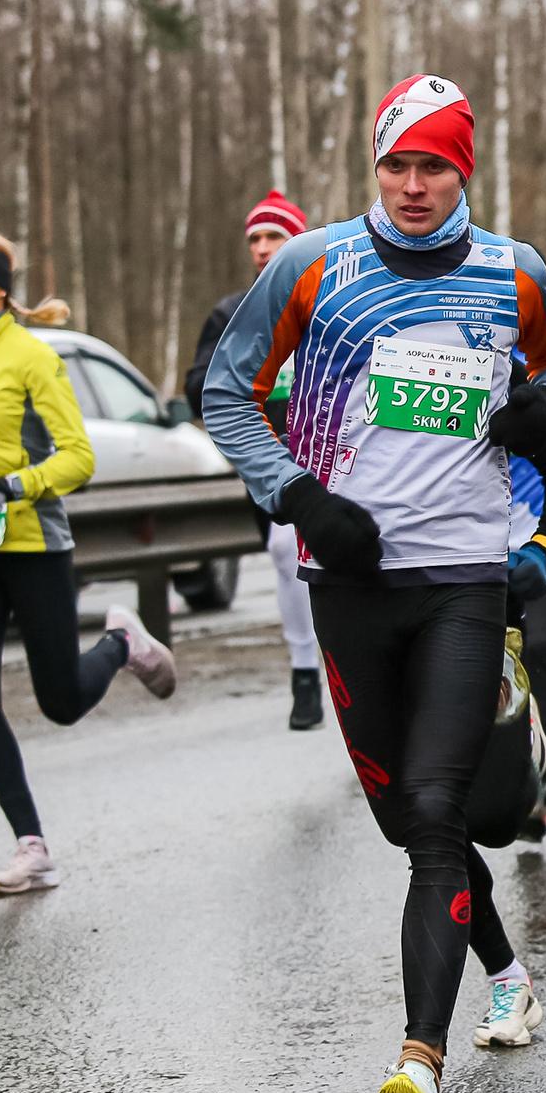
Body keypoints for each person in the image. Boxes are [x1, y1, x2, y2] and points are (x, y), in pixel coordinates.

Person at [200, 73, 546, 1093]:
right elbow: (226, 392)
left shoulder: (511, 271)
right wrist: (298, 495)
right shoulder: (310, 266)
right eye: (397, 165)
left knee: (432, 807)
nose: (414, 186)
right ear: (375, 166)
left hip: (464, 575)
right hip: (349, 577)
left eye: (435, 167)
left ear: (464, 171)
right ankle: (506, 970)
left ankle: (418, 1064)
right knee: (409, 826)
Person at [0, 228, 178, 898]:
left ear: (0, 287)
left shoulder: (33, 359)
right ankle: (32, 845)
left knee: (62, 702)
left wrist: (10, 487)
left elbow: (78, 458)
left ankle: (122, 642)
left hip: (33, 544)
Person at [185, 190, 323, 729]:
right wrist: (239, 382)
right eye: (256, 239)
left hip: (337, 447)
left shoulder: (331, 300)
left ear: (298, 243)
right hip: (269, 454)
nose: (263, 247)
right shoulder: (232, 312)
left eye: (275, 236)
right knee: (286, 548)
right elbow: (199, 387)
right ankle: (305, 671)